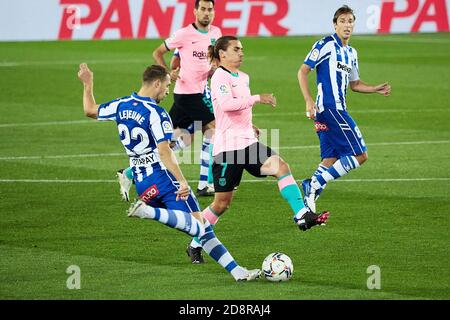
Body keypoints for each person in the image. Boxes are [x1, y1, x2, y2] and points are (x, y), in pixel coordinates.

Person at [77, 63, 261, 281]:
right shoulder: (156, 113)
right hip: (163, 180)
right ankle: (147, 212)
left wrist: (88, 84)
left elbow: (90, 110)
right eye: (166, 86)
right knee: (199, 226)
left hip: (143, 183)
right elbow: (165, 151)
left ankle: (238, 273)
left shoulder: (121, 104)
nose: (167, 92)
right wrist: (182, 181)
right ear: (156, 83)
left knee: (202, 230)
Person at [198, 35, 330, 233]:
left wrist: (250, 125)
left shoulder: (243, 77)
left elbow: (239, 109)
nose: (241, 52)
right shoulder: (219, 76)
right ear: (222, 54)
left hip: (248, 144)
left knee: (281, 167)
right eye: (236, 49)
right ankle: (195, 242)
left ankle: (301, 214)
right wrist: (258, 98)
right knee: (221, 205)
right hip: (227, 149)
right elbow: (226, 105)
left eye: (241, 49)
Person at [297, 5, 391, 213]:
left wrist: (375, 88)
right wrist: (308, 100)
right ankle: (313, 184)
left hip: (332, 110)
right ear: (335, 24)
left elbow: (355, 84)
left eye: (350, 21)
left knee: (330, 159)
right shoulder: (325, 44)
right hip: (330, 109)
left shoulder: (351, 53)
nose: (347, 25)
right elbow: (303, 72)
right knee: (360, 155)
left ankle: (308, 207)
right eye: (343, 21)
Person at [153, 0, 221, 198]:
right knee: (214, 129)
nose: (206, 13)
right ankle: (204, 184)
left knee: (176, 139)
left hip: (199, 92)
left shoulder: (216, 34)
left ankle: (129, 173)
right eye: (203, 9)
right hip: (187, 94)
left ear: (213, 12)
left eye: (210, 10)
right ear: (195, 11)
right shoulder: (183, 34)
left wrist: (214, 69)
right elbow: (158, 52)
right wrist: (167, 73)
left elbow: (214, 59)